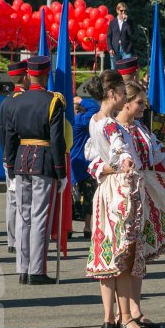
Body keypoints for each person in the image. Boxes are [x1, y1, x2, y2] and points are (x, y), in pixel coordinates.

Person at [84, 71, 165, 328]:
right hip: (123, 190)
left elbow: (160, 155)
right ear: (118, 97)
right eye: (136, 101)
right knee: (125, 253)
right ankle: (122, 317)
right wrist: (120, 164)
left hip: (122, 189)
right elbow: (111, 153)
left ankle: (120, 315)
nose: (142, 106)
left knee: (121, 253)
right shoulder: (110, 125)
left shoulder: (101, 122)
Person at [4, 56, 67, 285]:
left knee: (24, 217)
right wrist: (61, 171)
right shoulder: (53, 102)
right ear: (47, 75)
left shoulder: (17, 100)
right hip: (44, 161)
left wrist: (10, 165)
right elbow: (57, 139)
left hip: (21, 160)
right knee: (39, 218)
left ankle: (23, 268)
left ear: (29, 75)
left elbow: (10, 136)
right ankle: (36, 270)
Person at [0, 60, 29, 254]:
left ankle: (12, 240)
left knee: (12, 200)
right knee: (24, 201)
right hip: (24, 155)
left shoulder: (7, 100)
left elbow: (3, 132)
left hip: (9, 155)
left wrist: (6, 158)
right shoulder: (25, 100)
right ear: (25, 76)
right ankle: (21, 240)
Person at [71, 90, 100, 240]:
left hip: (69, 163)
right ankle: (87, 227)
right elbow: (95, 109)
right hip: (85, 163)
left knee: (69, 197)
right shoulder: (80, 121)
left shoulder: (66, 121)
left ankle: (67, 227)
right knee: (89, 197)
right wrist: (80, 100)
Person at [106, 2, 134, 69]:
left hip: (126, 50)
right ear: (117, 11)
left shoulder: (129, 22)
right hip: (115, 49)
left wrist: (126, 22)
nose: (123, 12)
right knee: (114, 70)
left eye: (125, 11)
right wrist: (110, 48)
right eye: (121, 11)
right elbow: (109, 36)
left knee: (127, 70)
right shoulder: (113, 22)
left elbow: (131, 34)